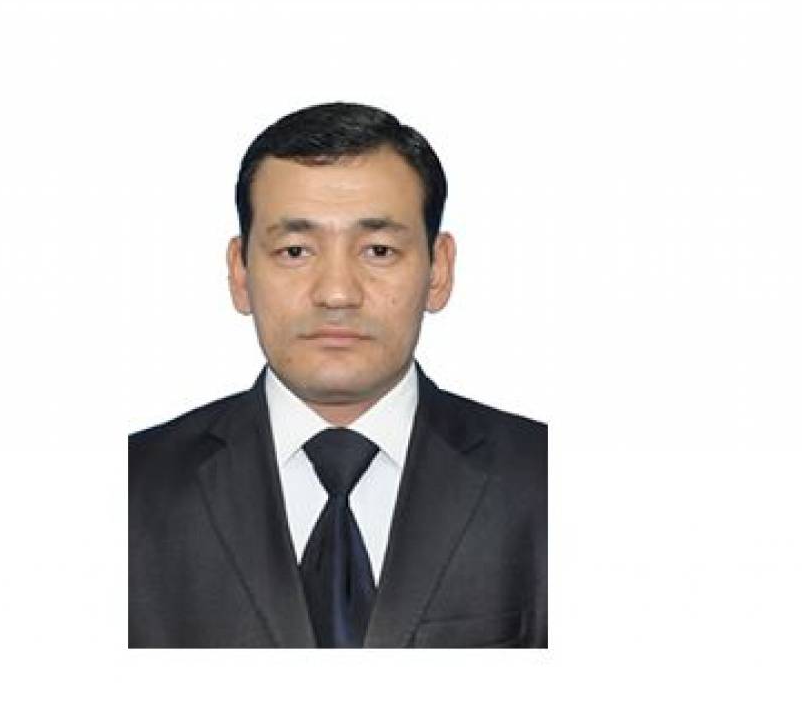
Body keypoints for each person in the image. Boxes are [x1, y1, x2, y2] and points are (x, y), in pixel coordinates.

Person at [129, 102, 547, 648]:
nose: (336, 293)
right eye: (295, 251)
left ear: (438, 269)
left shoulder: (544, 478)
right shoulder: (133, 487)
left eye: (378, 250)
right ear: (240, 272)